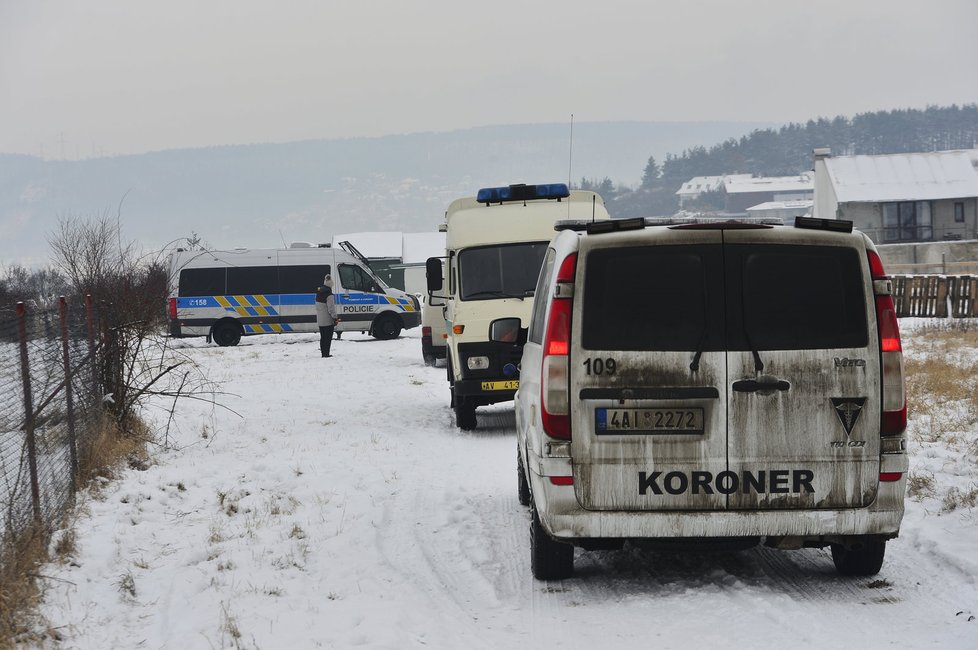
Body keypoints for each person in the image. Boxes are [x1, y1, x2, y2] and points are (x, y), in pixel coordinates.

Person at [315, 275, 340, 357]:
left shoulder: (319, 292)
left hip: (320, 320)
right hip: (328, 321)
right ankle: (326, 354)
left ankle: (323, 353)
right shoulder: (329, 295)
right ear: (330, 285)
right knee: (328, 338)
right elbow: (331, 309)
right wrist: (335, 318)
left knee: (323, 338)